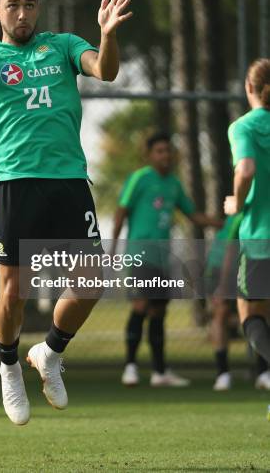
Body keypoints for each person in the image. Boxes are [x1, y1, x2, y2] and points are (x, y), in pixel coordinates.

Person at [0, 0, 133, 425]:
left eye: (30, 4)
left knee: (91, 283)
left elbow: (106, 71)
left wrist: (107, 36)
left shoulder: (64, 45)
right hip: (14, 182)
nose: (22, 13)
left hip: (68, 180)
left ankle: (49, 353)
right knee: (12, 294)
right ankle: (9, 366)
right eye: (13, 4)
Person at [111, 132, 222, 387]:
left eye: (168, 151)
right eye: (160, 151)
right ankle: (130, 367)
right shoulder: (139, 178)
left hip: (163, 257)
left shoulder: (173, 184)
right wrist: (113, 250)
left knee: (159, 311)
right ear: (149, 155)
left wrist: (223, 222)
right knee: (140, 307)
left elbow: (193, 216)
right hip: (139, 254)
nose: (165, 155)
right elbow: (120, 212)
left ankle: (160, 372)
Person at [224, 59, 270, 404]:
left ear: (248, 88)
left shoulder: (244, 127)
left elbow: (247, 168)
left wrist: (237, 203)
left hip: (260, 238)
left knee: (250, 313)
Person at [206, 213, 270, 390]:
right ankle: (222, 374)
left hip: (249, 261)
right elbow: (230, 249)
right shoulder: (244, 213)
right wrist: (223, 286)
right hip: (221, 264)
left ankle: (263, 372)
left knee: (260, 311)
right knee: (222, 312)